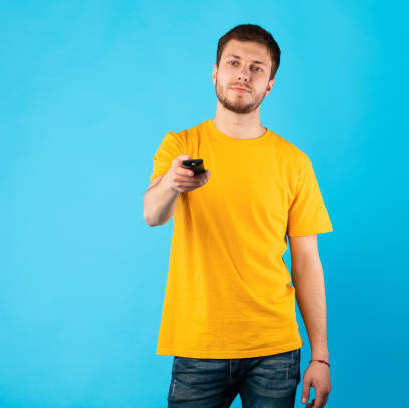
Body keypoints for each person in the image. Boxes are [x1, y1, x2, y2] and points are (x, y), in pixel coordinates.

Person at [143, 23, 332, 408]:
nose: (244, 73)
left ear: (270, 84)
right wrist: (172, 183)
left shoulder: (294, 163)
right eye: (233, 62)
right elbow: (153, 214)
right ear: (215, 72)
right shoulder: (181, 145)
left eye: (257, 67)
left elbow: (308, 261)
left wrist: (320, 355)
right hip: (199, 344)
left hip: (275, 350)